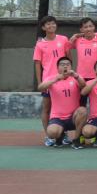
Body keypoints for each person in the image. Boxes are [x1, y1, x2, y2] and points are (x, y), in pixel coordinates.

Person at [33, 15, 71, 146]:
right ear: (43, 27)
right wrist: (40, 83)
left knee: (64, 108)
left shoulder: (63, 39)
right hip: (49, 81)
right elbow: (37, 64)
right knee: (47, 108)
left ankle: (64, 134)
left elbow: (68, 57)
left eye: (53, 23)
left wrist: (69, 74)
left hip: (64, 80)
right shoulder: (40, 44)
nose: (51, 26)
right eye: (48, 24)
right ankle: (49, 136)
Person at [37, 56, 87, 149]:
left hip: (73, 118)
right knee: (52, 132)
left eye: (68, 64)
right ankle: (59, 137)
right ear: (57, 67)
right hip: (58, 118)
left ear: (71, 67)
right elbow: (40, 87)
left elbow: (83, 85)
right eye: (62, 64)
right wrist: (55, 80)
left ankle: (76, 140)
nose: (65, 66)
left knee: (83, 111)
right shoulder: (52, 78)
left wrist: (76, 76)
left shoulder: (75, 78)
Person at [70, 18, 97, 105]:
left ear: (94, 27)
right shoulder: (77, 40)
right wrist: (75, 36)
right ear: (81, 29)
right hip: (81, 77)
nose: (88, 29)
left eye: (90, 26)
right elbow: (67, 45)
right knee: (81, 104)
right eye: (85, 27)